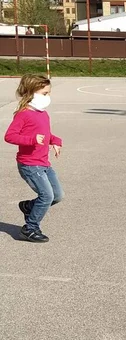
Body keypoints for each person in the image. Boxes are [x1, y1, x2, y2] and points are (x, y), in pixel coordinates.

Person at [4, 74, 63, 243]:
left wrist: (55, 141)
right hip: (30, 165)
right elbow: (10, 136)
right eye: (44, 93)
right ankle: (29, 228)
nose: (48, 97)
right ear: (32, 93)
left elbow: (45, 134)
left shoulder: (42, 114)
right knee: (46, 196)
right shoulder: (24, 114)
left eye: (48, 93)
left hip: (44, 163)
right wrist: (31, 140)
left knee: (57, 195)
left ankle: (29, 206)